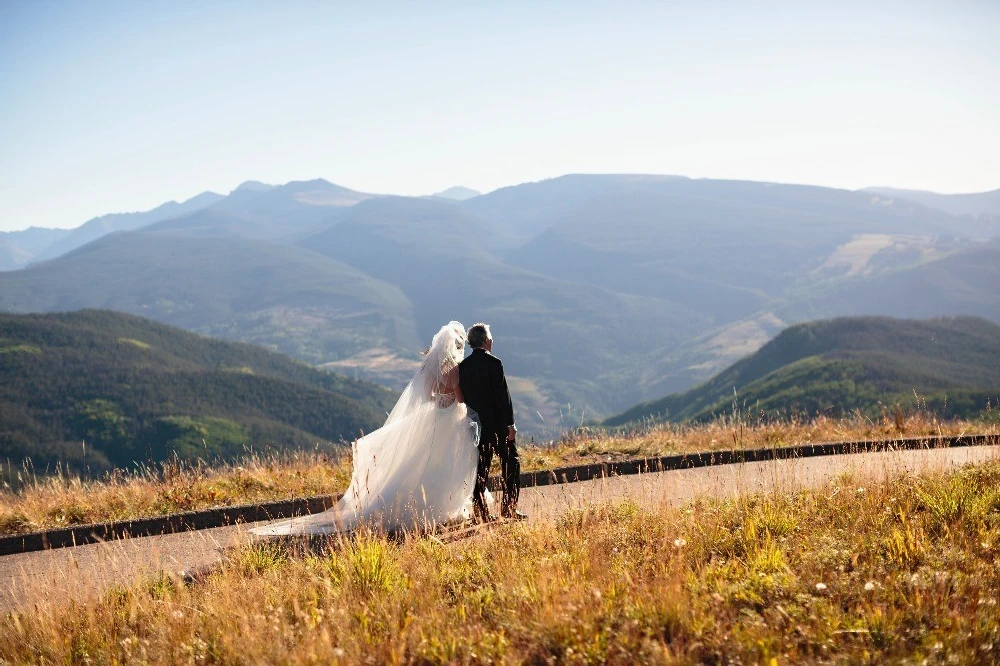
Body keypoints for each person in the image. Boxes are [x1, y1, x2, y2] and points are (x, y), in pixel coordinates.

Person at [250, 322, 481, 536]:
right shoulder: (454, 372)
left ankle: (420, 506)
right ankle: (443, 506)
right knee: (444, 462)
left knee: (423, 462)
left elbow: (428, 394)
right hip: (449, 419)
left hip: (433, 416)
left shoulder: (431, 370)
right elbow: (460, 399)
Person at [458, 323, 525, 522]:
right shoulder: (494, 363)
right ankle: (509, 508)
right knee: (511, 465)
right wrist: (510, 424)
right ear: (486, 340)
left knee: (481, 470)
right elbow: (503, 397)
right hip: (497, 426)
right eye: (491, 338)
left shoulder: (463, 367)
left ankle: (481, 513)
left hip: (476, 427)